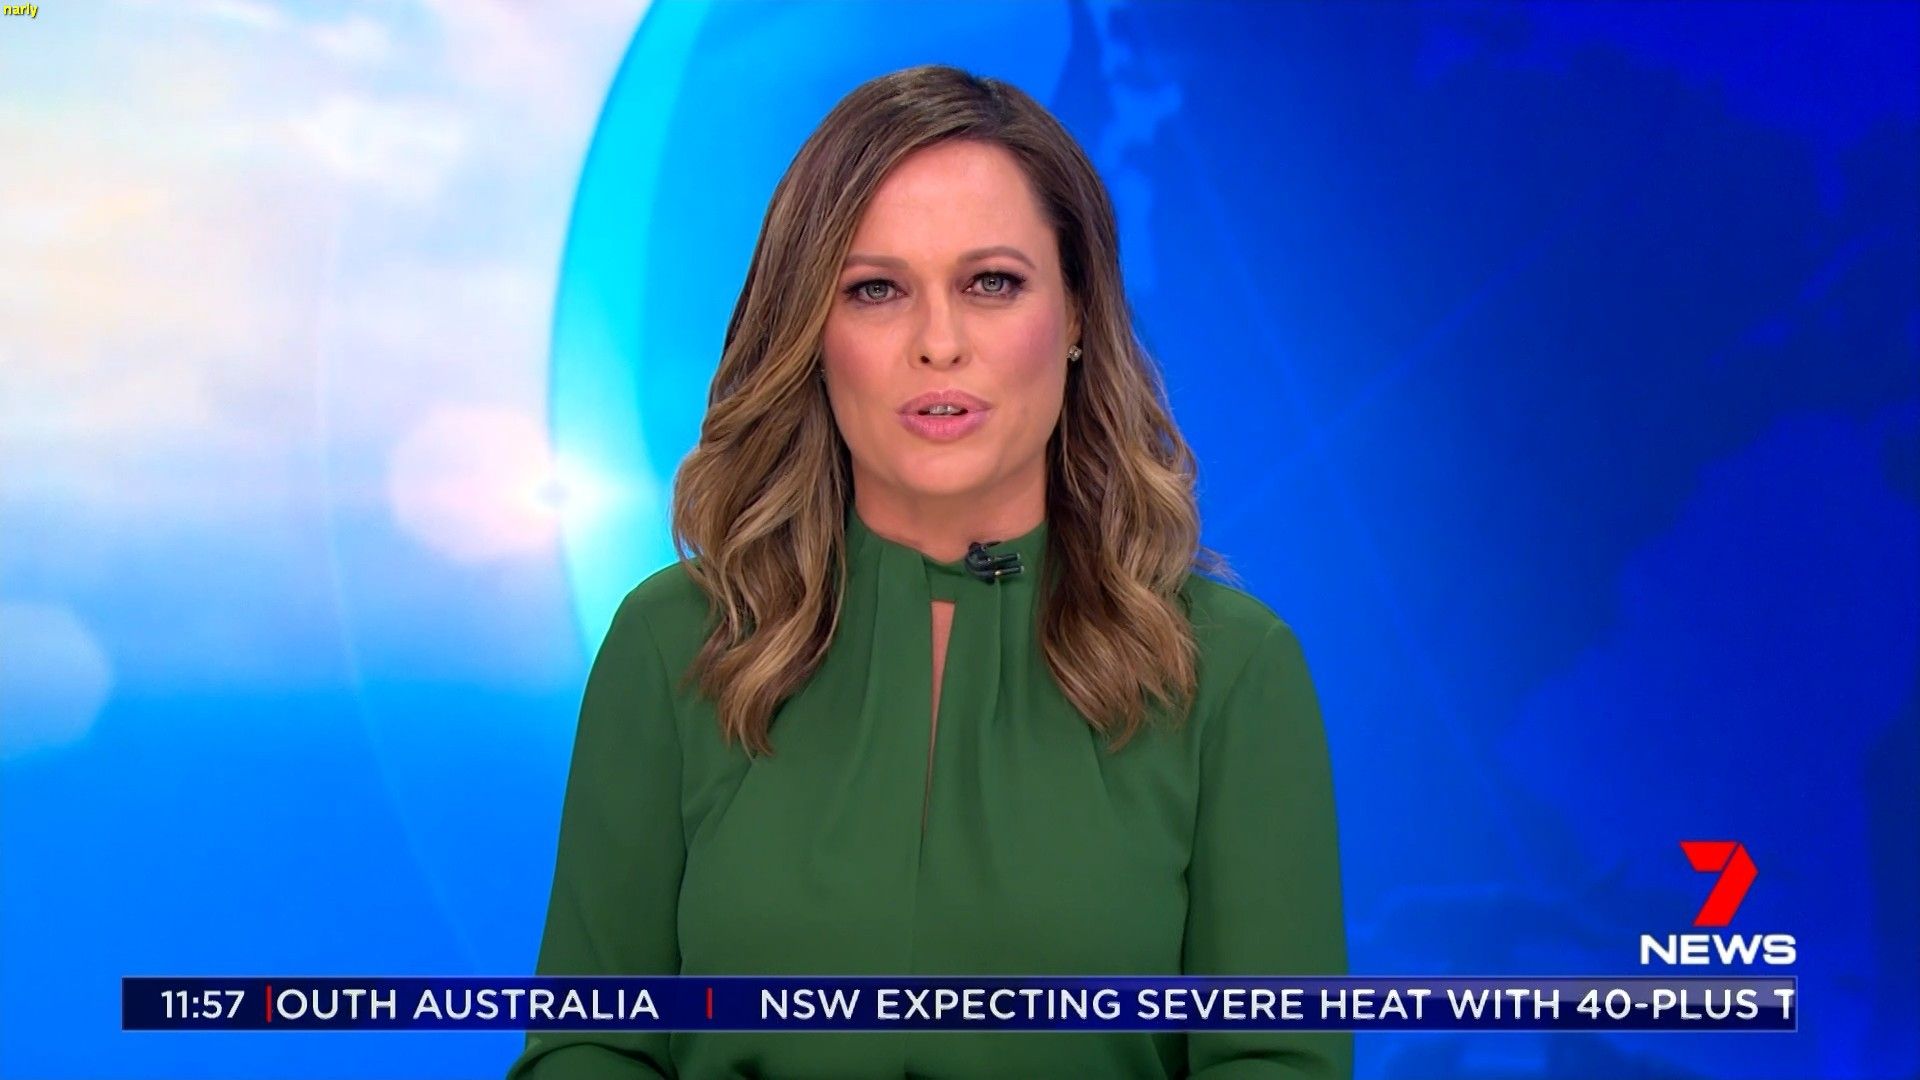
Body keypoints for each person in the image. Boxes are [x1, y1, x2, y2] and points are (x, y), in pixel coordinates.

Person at [506, 63, 1348, 1079]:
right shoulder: (672, 643)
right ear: (811, 332)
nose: (938, 344)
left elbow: (1274, 1058)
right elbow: (590, 1042)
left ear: (1078, 317)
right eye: (876, 290)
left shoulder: (1232, 672)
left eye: (992, 284)